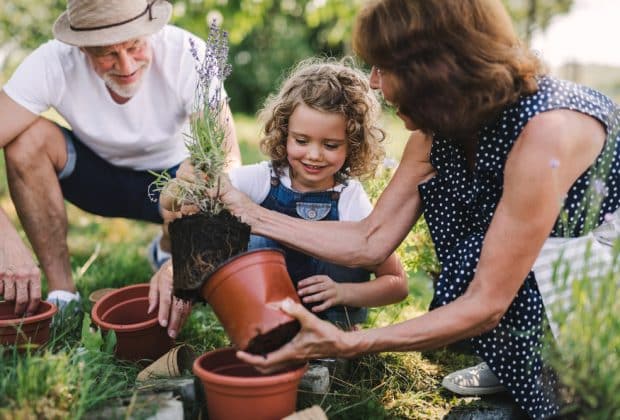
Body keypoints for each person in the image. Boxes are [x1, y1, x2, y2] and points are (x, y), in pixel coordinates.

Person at [187, 1, 617, 418]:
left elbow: (487, 301)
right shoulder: (437, 133)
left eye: (383, 69)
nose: (373, 83)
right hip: (532, 263)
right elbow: (371, 240)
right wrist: (250, 214)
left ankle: (556, 383)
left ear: (433, 72)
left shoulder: (547, 134)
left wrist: (351, 342)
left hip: (595, 277)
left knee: (578, 392)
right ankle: (517, 370)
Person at [0, 0, 241, 316]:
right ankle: (63, 294)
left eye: (135, 46)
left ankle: (167, 250)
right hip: (96, 178)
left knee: (200, 177)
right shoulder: (52, 61)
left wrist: (184, 259)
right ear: (81, 48)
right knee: (25, 140)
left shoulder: (186, 53)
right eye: (107, 54)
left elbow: (227, 162)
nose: (126, 66)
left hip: (172, 182)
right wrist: (5, 241)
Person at [149, 59, 408, 337]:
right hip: (265, 314)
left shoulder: (349, 198)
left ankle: (334, 337)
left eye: (330, 145)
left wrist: (345, 292)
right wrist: (180, 185)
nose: (314, 154)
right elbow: (173, 203)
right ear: (284, 134)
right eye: (301, 140)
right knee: (252, 238)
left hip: (327, 321)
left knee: (346, 246)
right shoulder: (264, 179)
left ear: (353, 144)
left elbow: (397, 283)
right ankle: (259, 329)